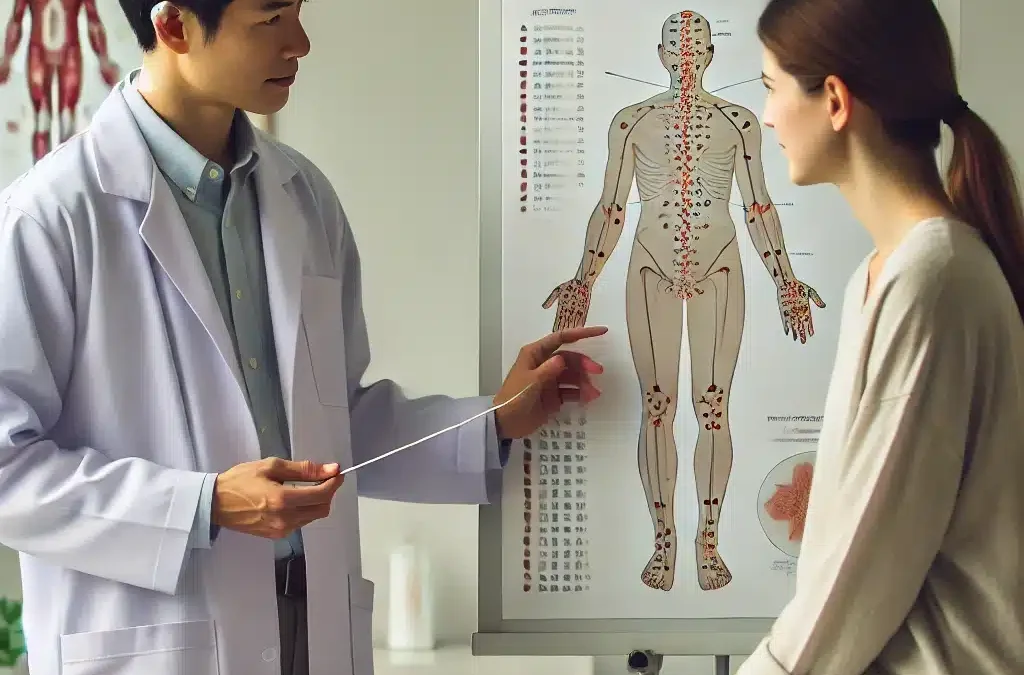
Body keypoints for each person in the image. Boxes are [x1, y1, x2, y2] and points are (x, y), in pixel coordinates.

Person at [0, 0, 607, 673]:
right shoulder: (51, 216)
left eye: (298, 12)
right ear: (174, 26)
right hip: (157, 642)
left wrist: (494, 418)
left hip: (312, 625)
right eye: (270, 20)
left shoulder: (305, 197)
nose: (300, 43)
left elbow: (334, 424)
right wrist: (201, 505)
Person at [738, 0, 1024, 673]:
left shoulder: (933, 278)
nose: (767, 116)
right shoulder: (889, 273)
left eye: (771, 89)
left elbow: (863, 569)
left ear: (834, 100)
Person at [542, 10, 824, 594]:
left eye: (697, 42)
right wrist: (583, 279)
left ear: (711, 53)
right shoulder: (632, 123)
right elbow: (613, 208)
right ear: (663, 52)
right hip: (651, 268)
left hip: (720, 268)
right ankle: (665, 543)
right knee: (657, 406)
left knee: (713, 405)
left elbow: (758, 207)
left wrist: (786, 281)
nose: (688, 52)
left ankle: (710, 543)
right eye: (678, 42)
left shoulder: (739, 123)